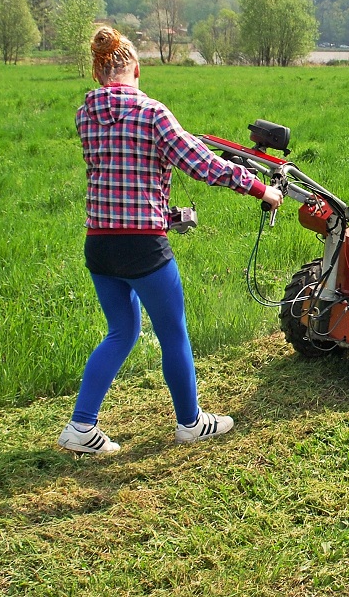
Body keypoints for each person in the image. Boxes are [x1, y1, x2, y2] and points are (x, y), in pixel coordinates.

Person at [57, 26, 283, 455]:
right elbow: (201, 166)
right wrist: (261, 188)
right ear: (136, 68)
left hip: (100, 243)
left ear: (97, 73)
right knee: (173, 332)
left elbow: (124, 172)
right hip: (143, 246)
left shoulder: (85, 114)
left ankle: (80, 427)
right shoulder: (153, 114)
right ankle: (190, 423)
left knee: (121, 332)